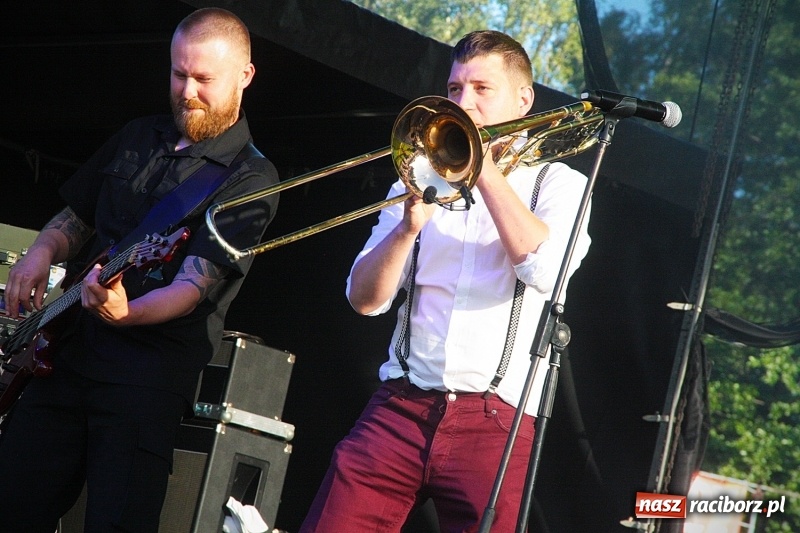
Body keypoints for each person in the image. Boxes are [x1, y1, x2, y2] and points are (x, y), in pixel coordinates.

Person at [300, 30, 592, 532]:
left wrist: (485, 171)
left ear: (524, 101)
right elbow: (363, 299)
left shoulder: (560, 184)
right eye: (455, 89)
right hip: (400, 407)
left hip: (495, 421)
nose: (464, 103)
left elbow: (544, 269)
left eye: (482, 89)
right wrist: (406, 230)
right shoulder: (416, 177)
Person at [0, 7, 278, 532]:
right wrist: (40, 252)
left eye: (203, 79)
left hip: (144, 382)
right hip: (66, 356)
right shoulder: (137, 135)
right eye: (178, 74)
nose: (188, 92)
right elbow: (77, 217)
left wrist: (128, 313)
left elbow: (194, 283)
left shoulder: (252, 178)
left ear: (244, 76)